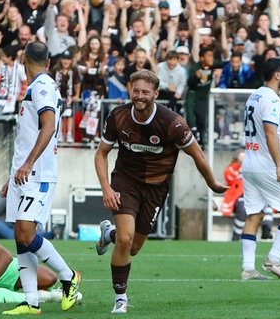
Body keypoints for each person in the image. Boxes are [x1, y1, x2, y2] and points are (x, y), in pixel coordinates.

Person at [94, 69, 228, 313]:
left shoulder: (172, 122)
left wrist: (211, 182)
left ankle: (108, 234)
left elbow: (196, 153)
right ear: (129, 90)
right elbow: (101, 153)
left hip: (157, 187)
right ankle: (120, 298)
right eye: (136, 91)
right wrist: (106, 188)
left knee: (132, 247)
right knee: (126, 240)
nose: (140, 96)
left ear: (155, 94)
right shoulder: (117, 116)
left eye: (145, 92)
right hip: (125, 182)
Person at [1, 40, 81, 315]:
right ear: (47, 61)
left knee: (26, 232)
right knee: (20, 236)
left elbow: (48, 127)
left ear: (24, 61)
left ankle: (68, 276)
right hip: (23, 173)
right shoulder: (37, 87)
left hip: (38, 172)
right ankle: (31, 300)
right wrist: (13, 174)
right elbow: (27, 136)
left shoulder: (43, 86)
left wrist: (29, 163)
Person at [240, 58, 280, 281]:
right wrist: (279, 165)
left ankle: (248, 268)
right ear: (277, 75)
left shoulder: (254, 95)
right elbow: (270, 133)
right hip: (266, 164)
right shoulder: (273, 99)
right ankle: (274, 260)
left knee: (255, 214)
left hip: (249, 163)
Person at [221, 150, 246, 241]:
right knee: (242, 209)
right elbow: (229, 178)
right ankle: (236, 235)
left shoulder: (251, 167)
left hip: (251, 195)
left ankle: (266, 230)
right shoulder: (232, 168)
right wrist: (238, 165)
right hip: (237, 197)